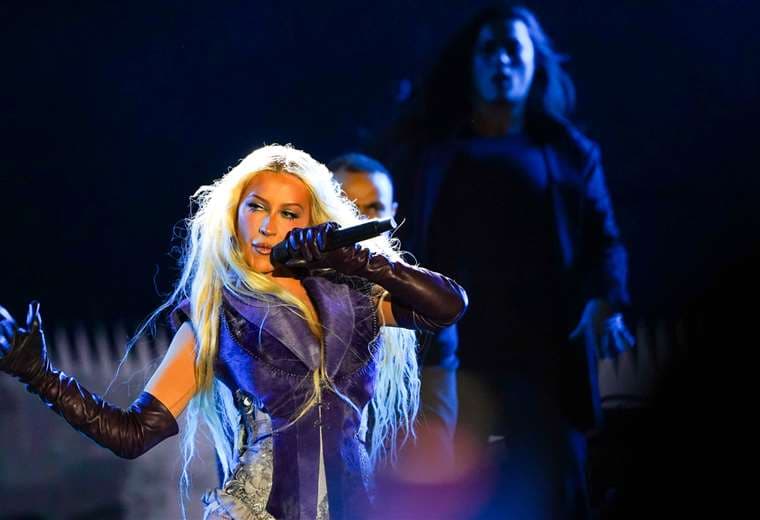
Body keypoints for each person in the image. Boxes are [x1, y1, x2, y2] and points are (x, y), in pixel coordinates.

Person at [0, 144, 468, 520]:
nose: (268, 227)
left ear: (311, 222)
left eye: (289, 214)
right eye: (257, 207)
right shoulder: (214, 314)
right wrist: (40, 376)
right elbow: (135, 433)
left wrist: (355, 260)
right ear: (235, 214)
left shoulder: (355, 295)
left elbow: (449, 307)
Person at [377, 4, 632, 519]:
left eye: (513, 49)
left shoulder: (567, 152)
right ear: (470, 64)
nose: (502, 61)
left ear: (535, 62)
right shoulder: (431, 153)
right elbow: (394, 229)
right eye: (489, 50)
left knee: (558, 488)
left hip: (543, 355)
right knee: (455, 493)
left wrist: (606, 301)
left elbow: (605, 241)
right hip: (454, 351)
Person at [328, 152, 459, 466]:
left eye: (373, 208)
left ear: (393, 214)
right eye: (347, 206)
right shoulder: (296, 290)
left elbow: (436, 418)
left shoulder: (423, 299)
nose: (361, 221)